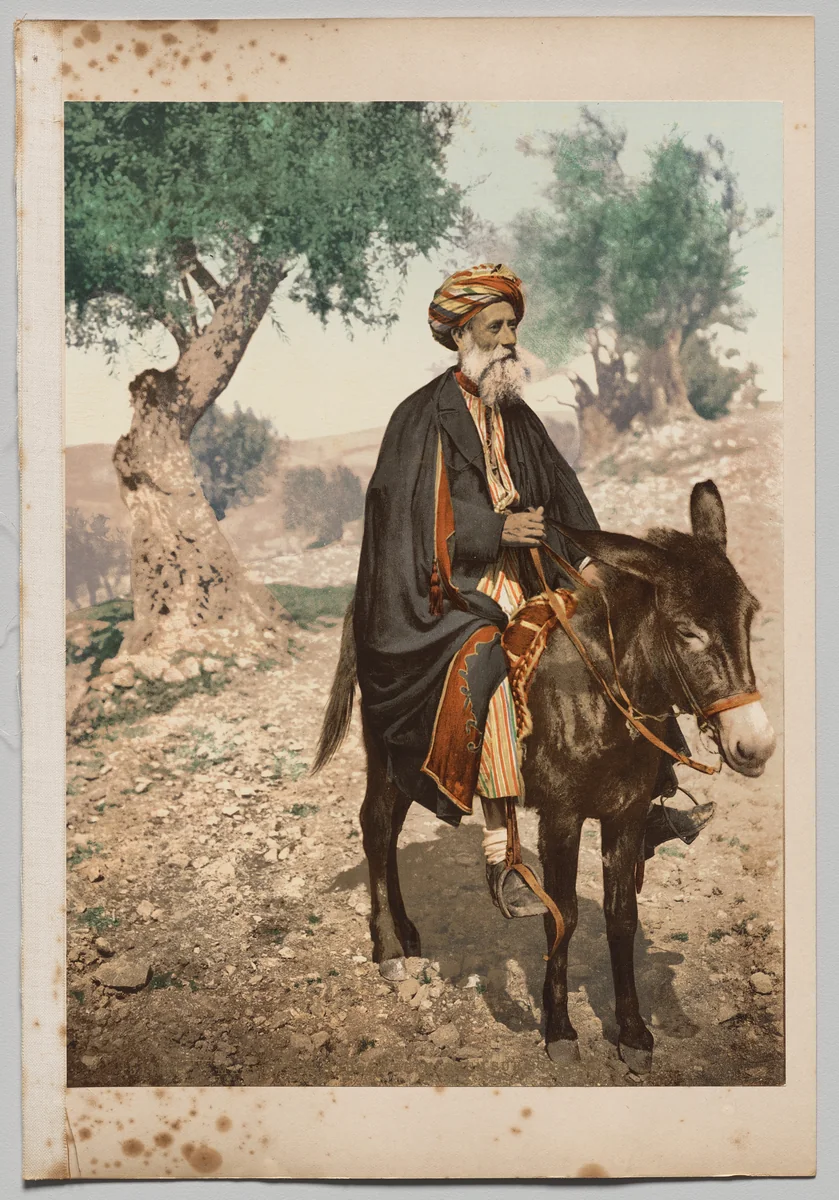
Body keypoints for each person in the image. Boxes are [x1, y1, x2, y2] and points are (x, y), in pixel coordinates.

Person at [353, 263, 713, 919]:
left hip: (533, 570)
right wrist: (494, 529)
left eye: (513, 327)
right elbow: (406, 520)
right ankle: (503, 855)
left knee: (619, 638)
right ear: (462, 332)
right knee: (487, 650)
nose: (508, 341)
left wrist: (599, 566)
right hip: (449, 591)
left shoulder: (514, 415)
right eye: (495, 327)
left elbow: (564, 497)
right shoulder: (418, 419)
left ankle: (653, 791)